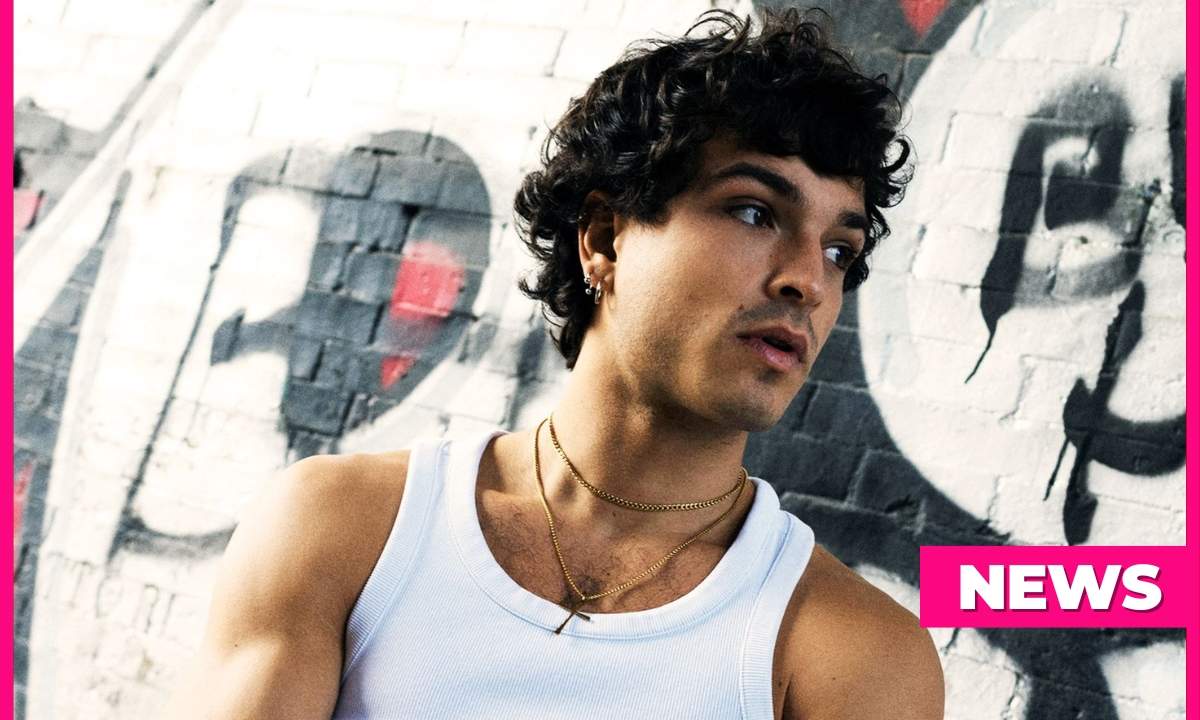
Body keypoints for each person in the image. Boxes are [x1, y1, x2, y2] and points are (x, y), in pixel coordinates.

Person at [168, 8, 944, 719]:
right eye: (754, 211)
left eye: (839, 250)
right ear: (604, 238)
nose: (808, 281)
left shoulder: (855, 657)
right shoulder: (346, 527)